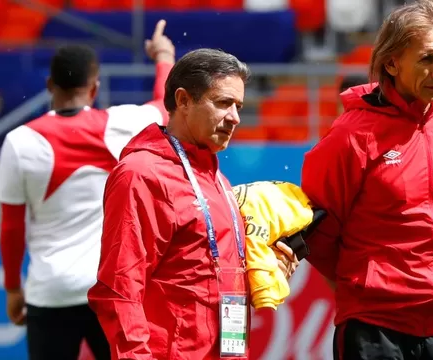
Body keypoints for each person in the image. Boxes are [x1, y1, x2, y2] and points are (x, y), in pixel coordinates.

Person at [87, 48, 298, 360]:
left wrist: (263, 270)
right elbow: (120, 287)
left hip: (227, 351)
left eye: (238, 106)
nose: (235, 118)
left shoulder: (216, 178)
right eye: (224, 103)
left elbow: (201, 273)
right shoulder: (141, 174)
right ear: (183, 100)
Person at [301, 1, 433, 359]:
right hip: (375, 328)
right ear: (392, 62)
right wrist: (367, 286)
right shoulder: (350, 136)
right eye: (427, 59)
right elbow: (318, 232)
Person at [0, 20, 175, 360]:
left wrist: (12, 290)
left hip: (49, 293)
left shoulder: (19, 142)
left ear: (49, 84)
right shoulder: (121, 124)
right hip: (109, 289)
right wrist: (164, 55)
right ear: (94, 88)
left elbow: (11, 227)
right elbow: (165, 107)